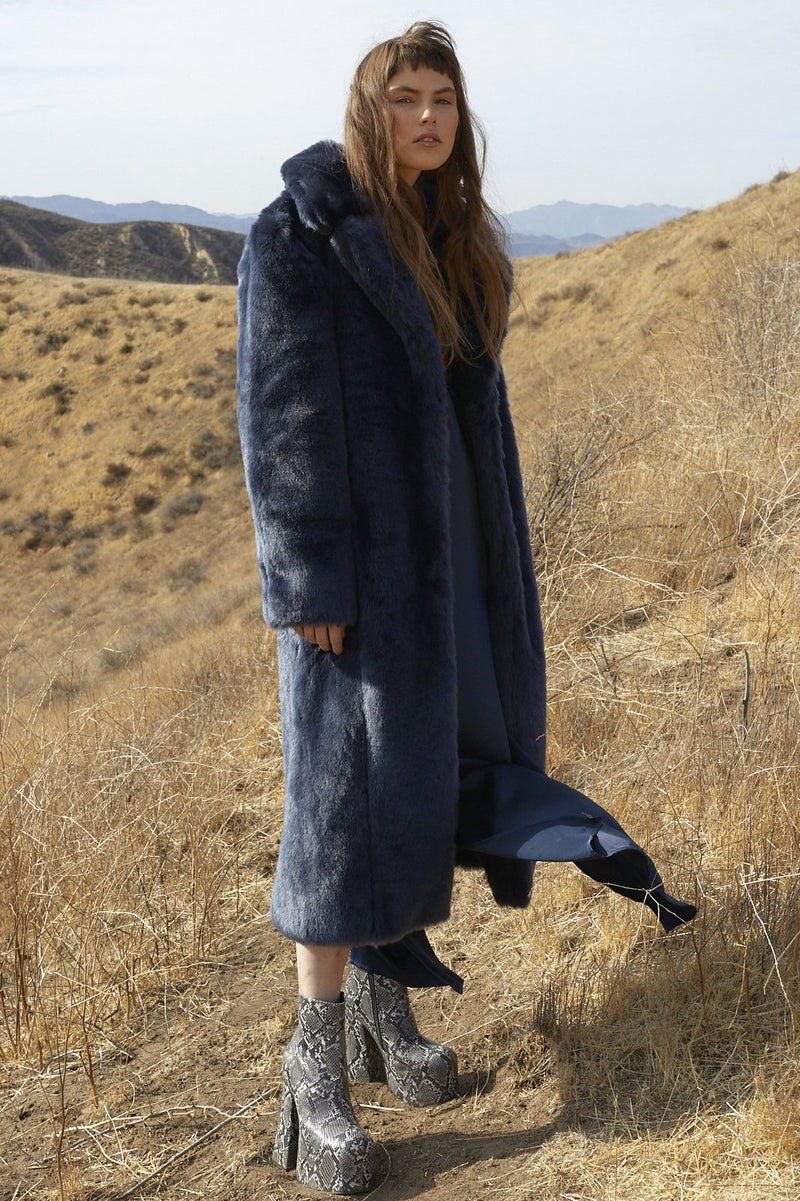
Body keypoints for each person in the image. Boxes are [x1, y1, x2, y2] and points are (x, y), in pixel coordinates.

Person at [237, 20, 696, 1195]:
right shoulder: (298, 236)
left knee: (419, 783)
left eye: (442, 98)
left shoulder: (452, 235)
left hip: (450, 573)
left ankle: (385, 1019)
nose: (427, 117)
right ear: (368, 110)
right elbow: (279, 424)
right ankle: (313, 1075)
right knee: (337, 814)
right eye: (404, 98)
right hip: (355, 584)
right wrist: (310, 582)